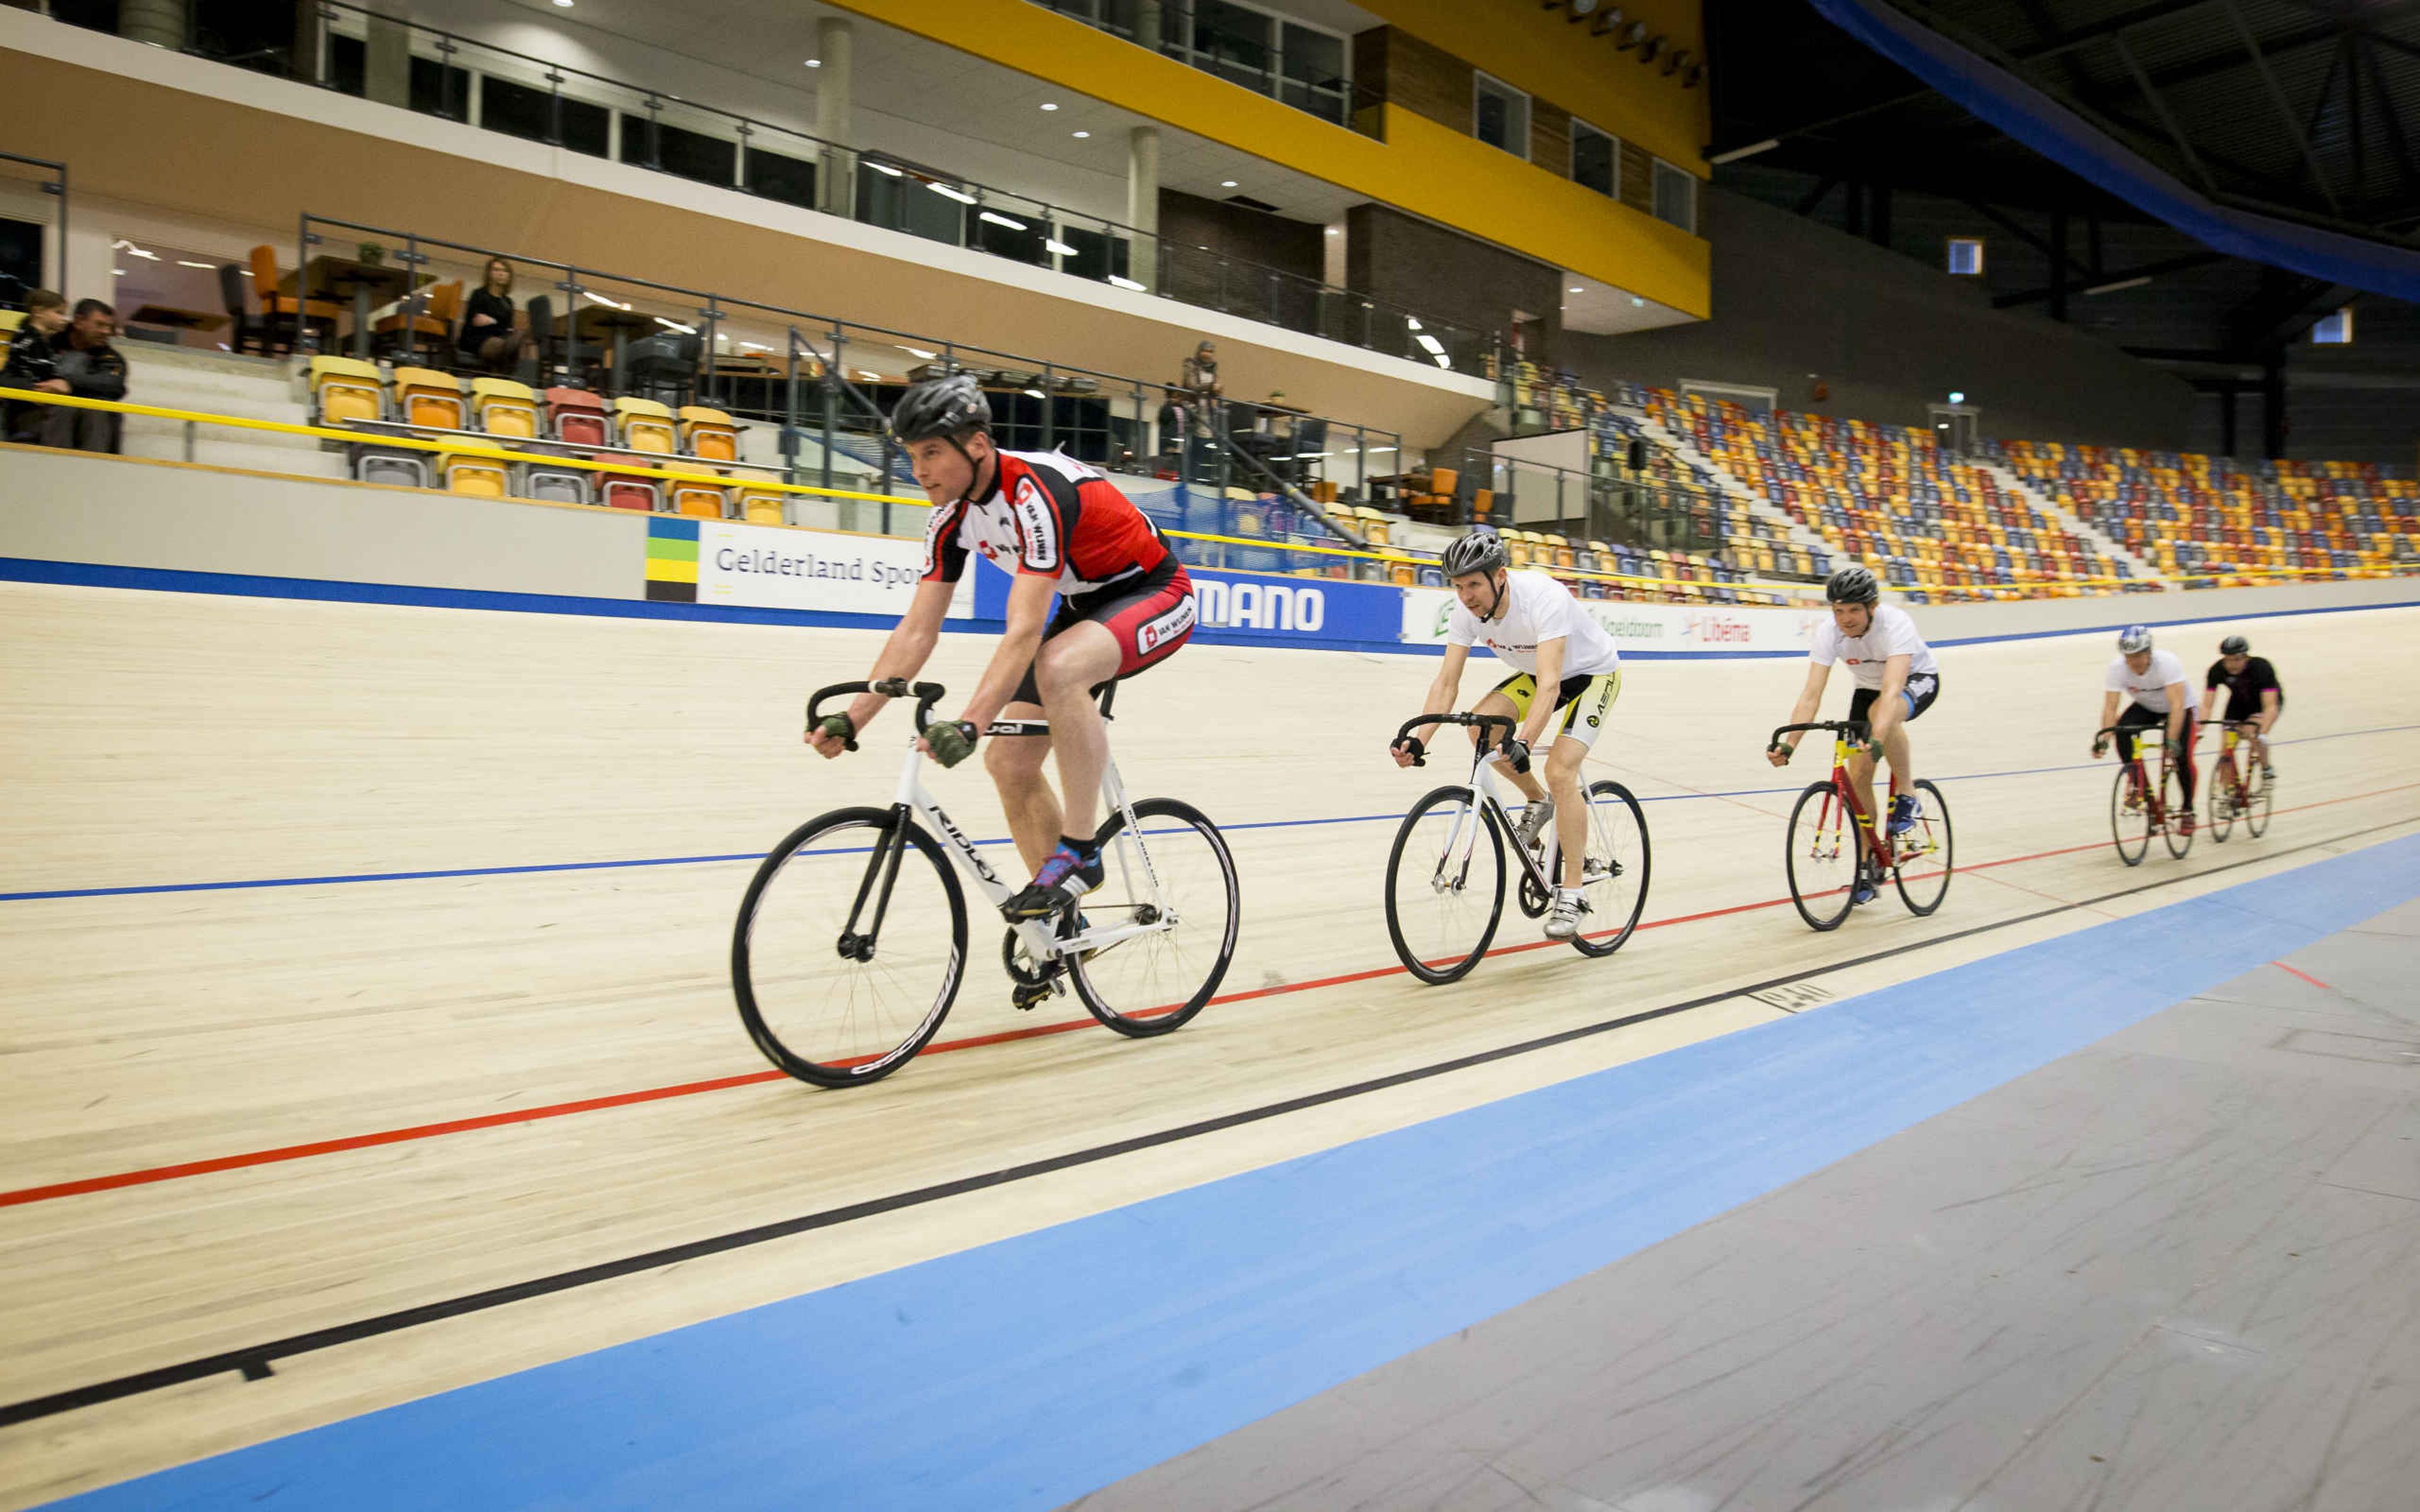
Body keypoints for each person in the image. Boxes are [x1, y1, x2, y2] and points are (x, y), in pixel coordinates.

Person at [806, 374, 1196, 1002]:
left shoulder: (1033, 493)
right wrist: (856, 717)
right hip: (1082, 608)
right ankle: (1066, 927)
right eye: (911, 455)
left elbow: (1022, 631)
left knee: (1061, 668)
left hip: (1153, 593)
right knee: (1009, 761)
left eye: (931, 452)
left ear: (978, 446)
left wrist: (969, 719)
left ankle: (1080, 849)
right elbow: (917, 629)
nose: (919, 469)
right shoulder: (947, 519)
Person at [1390, 528, 1624, 941]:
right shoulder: (1465, 612)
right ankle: (1537, 800)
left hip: (1591, 675)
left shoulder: (1542, 598)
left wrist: (1526, 742)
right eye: (1458, 586)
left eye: (1474, 584)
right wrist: (1419, 738)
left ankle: (1571, 893)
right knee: (1483, 730)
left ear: (1501, 576)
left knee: (1560, 770)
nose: (1466, 596)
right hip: (1541, 676)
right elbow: (1447, 682)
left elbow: (1551, 685)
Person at [1767, 564, 1941, 903]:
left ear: (1872, 608)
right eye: (1839, 611)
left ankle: (1908, 796)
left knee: (1882, 715)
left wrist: (1877, 739)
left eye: (1854, 611)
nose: (1845, 619)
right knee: (1858, 775)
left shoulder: (1896, 624)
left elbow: (1891, 692)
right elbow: (1810, 695)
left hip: (1915, 681)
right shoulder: (1829, 633)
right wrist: (1790, 745)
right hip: (1868, 690)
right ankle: (1867, 867)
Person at [2097, 624, 2197, 833]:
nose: (2132, 661)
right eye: (2128, 656)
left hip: (2178, 708)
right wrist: (2104, 738)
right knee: (2123, 731)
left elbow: (2177, 706)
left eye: (2138, 656)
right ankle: (2138, 786)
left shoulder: (2167, 663)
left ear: (2149, 652)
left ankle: (2188, 810)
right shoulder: (2117, 668)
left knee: (2181, 758)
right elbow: (2110, 707)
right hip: (2147, 706)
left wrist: (2171, 741)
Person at [37, 299, 128, 454]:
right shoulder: (45, 345)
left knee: (96, 410)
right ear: (79, 322)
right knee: (63, 408)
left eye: (109, 327)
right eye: (100, 325)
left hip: (93, 420)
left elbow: (114, 386)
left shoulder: (112, 358)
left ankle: (93, 470)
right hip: (46, 415)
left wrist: (69, 384)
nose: (107, 332)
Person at [2204, 633, 2282, 779]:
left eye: (2237, 660)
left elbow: (2271, 707)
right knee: (2226, 749)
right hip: (2238, 704)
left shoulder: (2261, 668)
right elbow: (2207, 705)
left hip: (2264, 703)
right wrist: (2199, 730)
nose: (2232, 665)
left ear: (2246, 657)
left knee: (2253, 733)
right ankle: (2230, 794)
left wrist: (2263, 734)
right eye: (2227, 660)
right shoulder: (2217, 670)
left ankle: (2266, 767)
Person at [2, 288, 70, 444]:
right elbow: (40, 371)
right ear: (38, 312)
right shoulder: (29, 339)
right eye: (59, 313)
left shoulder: (42, 340)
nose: (64, 319)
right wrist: (56, 384)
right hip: (24, 406)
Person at [456, 256, 536, 374]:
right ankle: (505, 379)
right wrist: (495, 323)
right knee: (511, 346)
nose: (501, 274)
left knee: (509, 345)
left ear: (509, 276)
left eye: (505, 271)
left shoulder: (508, 302)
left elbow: (507, 328)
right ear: (489, 274)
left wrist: (492, 321)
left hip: (500, 340)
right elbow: (477, 321)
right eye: (496, 270)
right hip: (476, 339)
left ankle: (502, 373)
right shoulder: (479, 295)